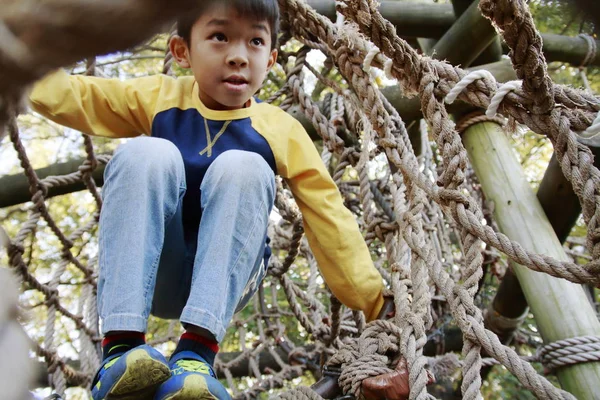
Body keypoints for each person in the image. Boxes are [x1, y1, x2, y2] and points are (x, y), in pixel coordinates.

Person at [28, 0, 385, 398]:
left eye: (254, 41)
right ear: (182, 52)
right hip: (154, 268)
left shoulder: (280, 129)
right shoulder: (161, 97)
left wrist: (374, 303)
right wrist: (18, 54)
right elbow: (74, 96)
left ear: (270, 60)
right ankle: (121, 348)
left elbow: (328, 216)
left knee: (244, 166)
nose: (237, 56)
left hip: (227, 276)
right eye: (219, 37)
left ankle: (197, 355)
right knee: (144, 152)